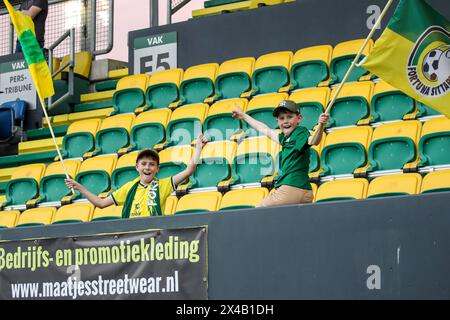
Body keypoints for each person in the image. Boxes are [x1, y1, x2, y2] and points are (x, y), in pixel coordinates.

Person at [65, 134, 208, 218]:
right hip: (132, 242)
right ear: (137, 167)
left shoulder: (162, 185)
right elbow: (101, 203)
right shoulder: (129, 187)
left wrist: (198, 148)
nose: (147, 167)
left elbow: (189, 170)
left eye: (152, 164)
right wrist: (80, 188)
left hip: (154, 241)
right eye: (144, 164)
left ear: (157, 169)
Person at [232, 100, 329, 207]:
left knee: (257, 213)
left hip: (290, 189)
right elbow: (264, 129)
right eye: (282, 118)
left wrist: (321, 126)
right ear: (277, 121)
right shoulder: (285, 139)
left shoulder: (300, 132)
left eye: (289, 117)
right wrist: (244, 116)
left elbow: (313, 141)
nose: (285, 121)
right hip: (304, 191)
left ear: (299, 118)